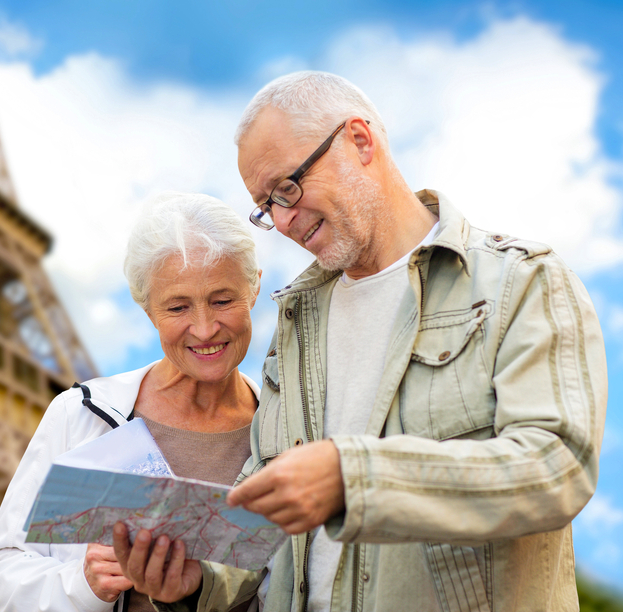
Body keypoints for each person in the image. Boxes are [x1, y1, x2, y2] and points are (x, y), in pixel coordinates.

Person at [113, 71, 608, 612]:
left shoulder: (521, 282)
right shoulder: (295, 324)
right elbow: (265, 521)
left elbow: (556, 469)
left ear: (360, 140)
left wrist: (356, 478)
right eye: (265, 206)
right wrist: (196, 581)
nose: (282, 220)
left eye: (287, 189)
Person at [0, 192, 264, 612]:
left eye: (222, 300)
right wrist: (85, 584)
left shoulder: (283, 429)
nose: (204, 328)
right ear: (147, 311)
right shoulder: (80, 415)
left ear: (253, 288)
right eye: (178, 307)